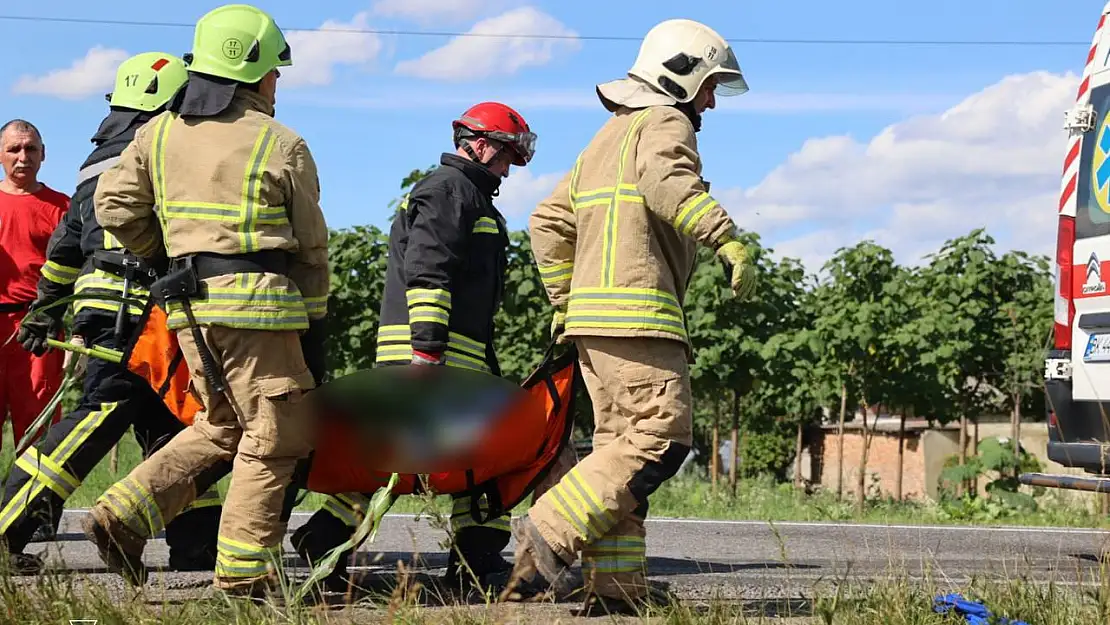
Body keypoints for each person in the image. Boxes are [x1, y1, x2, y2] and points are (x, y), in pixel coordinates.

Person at [506, 18, 758, 615]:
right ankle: (546, 532)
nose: (712, 101)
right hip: (640, 318)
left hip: (594, 326)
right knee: (660, 440)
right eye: (710, 85)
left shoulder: (605, 139)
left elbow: (547, 221)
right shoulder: (665, 122)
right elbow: (667, 180)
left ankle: (615, 592)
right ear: (682, 74)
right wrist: (725, 238)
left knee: (617, 453)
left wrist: (568, 302)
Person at [81, 3, 329, 598]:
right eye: (274, 71)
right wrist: (315, 317)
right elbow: (312, 247)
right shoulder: (280, 142)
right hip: (260, 310)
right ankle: (242, 581)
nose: (276, 83)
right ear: (251, 71)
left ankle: (123, 514)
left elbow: (111, 206)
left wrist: (169, 255)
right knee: (276, 436)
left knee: (221, 424)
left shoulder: (158, 131)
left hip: (189, 309)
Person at [291, 101, 537, 595]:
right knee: (446, 461)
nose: (509, 168)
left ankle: (469, 563)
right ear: (480, 144)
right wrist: (425, 352)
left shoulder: (469, 195)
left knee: (450, 460)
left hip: (455, 356)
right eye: (507, 155)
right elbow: (428, 271)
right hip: (430, 356)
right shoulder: (449, 192)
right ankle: (466, 563)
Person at [2, 53, 225, 576]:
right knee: (98, 420)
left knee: (174, 428)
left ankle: (196, 546)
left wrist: (45, 307)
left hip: (116, 316)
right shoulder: (164, 149)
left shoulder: (102, 155)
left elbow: (65, 245)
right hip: (138, 318)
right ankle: (9, 525)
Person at [0, 119, 69, 450]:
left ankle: (34, 503)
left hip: (38, 328)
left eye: (30, 148)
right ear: (1, 154)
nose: (22, 156)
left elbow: (81, 274)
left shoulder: (64, 208)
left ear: (44, 155)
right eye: (13, 149)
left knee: (38, 428)